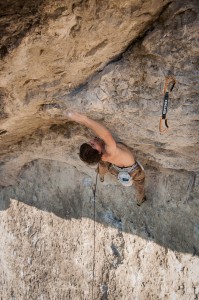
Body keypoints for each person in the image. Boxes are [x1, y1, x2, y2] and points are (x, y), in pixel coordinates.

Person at [66, 111, 146, 206]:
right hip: (133, 171)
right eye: (92, 144)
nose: (92, 140)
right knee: (140, 182)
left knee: (101, 162)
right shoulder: (110, 150)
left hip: (114, 168)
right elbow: (105, 134)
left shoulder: (101, 155)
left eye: (90, 142)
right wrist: (84, 119)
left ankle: (101, 174)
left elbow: (96, 150)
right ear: (98, 151)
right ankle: (140, 199)